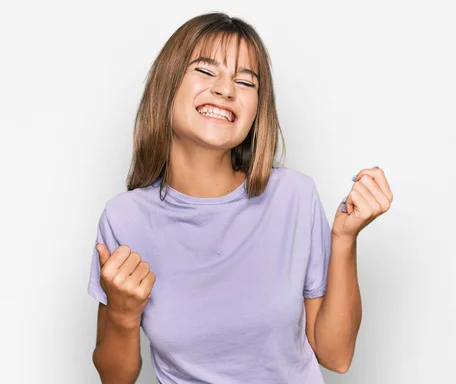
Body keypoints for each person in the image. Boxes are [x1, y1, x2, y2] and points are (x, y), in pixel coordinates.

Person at [87, 12, 393, 384]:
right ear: (167, 85)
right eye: (205, 70)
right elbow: (114, 378)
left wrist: (344, 239)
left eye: (245, 81)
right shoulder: (124, 220)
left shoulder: (294, 197)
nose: (226, 89)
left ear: (255, 111)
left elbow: (336, 355)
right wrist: (122, 314)